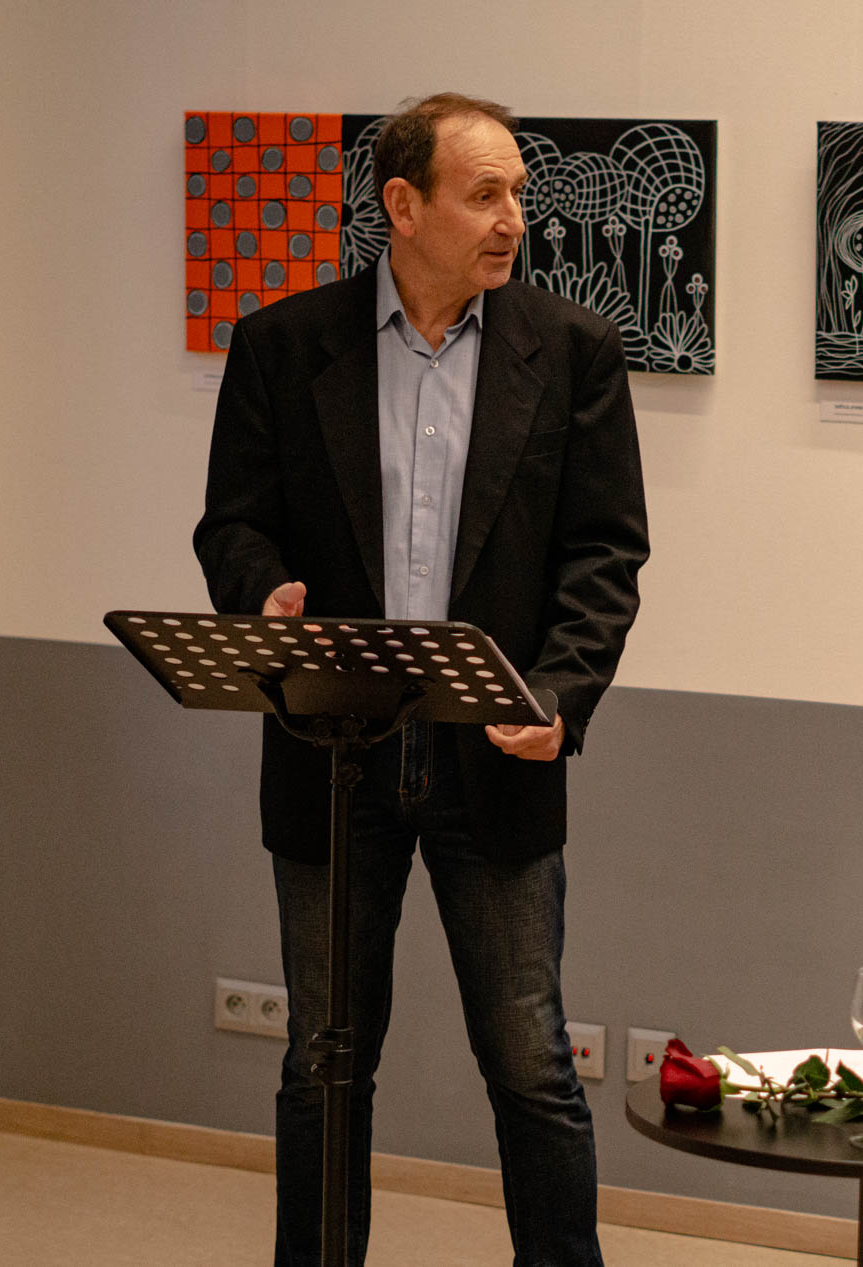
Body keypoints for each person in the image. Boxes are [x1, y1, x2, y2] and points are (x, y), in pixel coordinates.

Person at [193, 92, 647, 1267]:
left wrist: (559, 697)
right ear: (403, 204)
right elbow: (232, 524)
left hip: (495, 750)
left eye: (518, 196)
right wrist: (263, 594)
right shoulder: (284, 344)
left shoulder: (574, 350)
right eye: (484, 196)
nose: (512, 221)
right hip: (329, 752)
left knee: (531, 1062)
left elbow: (605, 557)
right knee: (323, 1056)